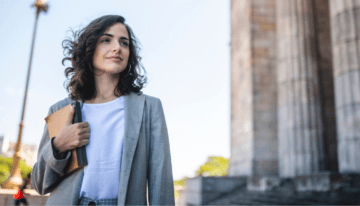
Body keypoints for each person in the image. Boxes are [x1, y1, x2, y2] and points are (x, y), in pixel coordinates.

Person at [31, 15, 175, 206]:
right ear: (89, 49)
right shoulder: (61, 110)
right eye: (106, 40)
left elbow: (161, 180)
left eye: (124, 43)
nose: (117, 47)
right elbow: (40, 184)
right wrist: (58, 146)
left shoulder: (149, 108)